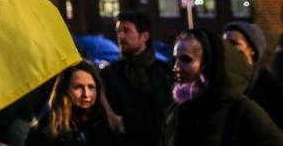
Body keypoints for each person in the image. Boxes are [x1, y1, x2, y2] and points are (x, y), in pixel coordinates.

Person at [162, 28, 283, 145]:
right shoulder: (176, 111)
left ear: (208, 64)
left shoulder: (242, 110)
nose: (176, 68)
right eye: (175, 60)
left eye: (186, 60)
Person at [99, 10, 171, 146]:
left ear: (144, 36)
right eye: (118, 31)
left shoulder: (165, 72)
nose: (120, 36)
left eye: (126, 31)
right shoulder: (109, 75)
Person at [25, 61, 125, 145]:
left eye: (91, 87)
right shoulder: (46, 127)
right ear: (65, 90)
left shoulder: (111, 126)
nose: (86, 94)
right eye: (78, 87)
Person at [222, 20, 283, 130]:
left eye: (234, 43)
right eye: (224, 43)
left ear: (251, 49)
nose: (227, 48)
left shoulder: (269, 85)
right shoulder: (218, 81)